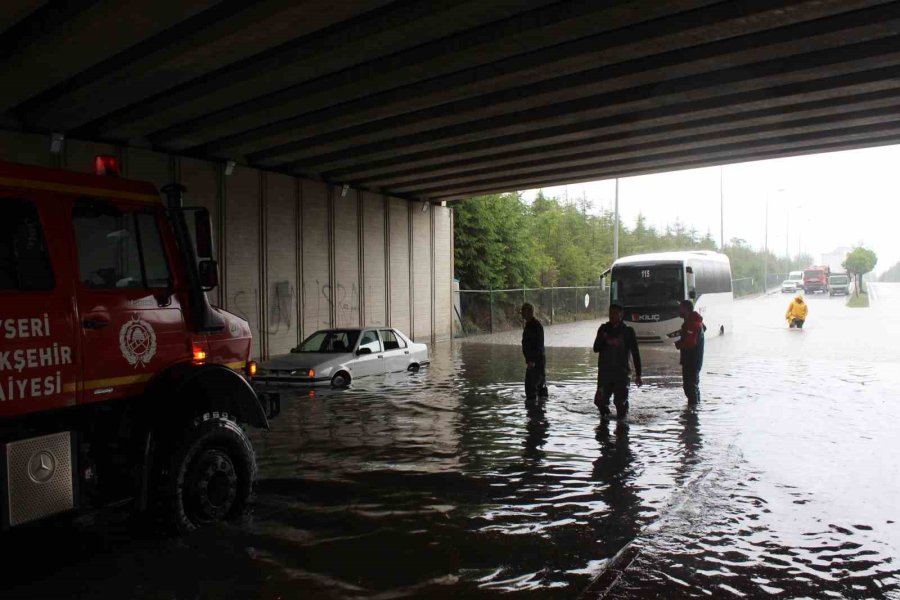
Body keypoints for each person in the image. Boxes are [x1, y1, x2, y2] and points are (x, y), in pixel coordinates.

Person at [593, 304, 642, 420]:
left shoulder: (628, 331)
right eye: (610, 313)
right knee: (600, 401)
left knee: (620, 402)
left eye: (615, 313)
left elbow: (635, 353)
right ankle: (605, 420)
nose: (612, 315)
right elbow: (595, 348)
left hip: (622, 372)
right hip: (605, 373)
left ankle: (622, 425)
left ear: (621, 315)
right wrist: (603, 339)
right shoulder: (603, 329)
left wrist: (638, 374)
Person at [675, 299, 705, 404]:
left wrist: (678, 344)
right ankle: (694, 409)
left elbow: (691, 342)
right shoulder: (692, 321)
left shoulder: (693, 322)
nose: (678, 310)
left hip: (692, 361)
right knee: (691, 386)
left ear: (686, 309)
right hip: (692, 360)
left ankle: (693, 413)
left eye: (680, 308)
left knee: (690, 387)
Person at [521, 303, 548, 402]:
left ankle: (533, 411)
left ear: (530, 312)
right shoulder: (529, 325)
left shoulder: (536, 326)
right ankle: (540, 409)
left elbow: (539, 345)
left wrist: (532, 361)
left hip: (536, 361)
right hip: (536, 361)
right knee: (540, 387)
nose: (522, 314)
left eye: (523, 311)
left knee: (530, 388)